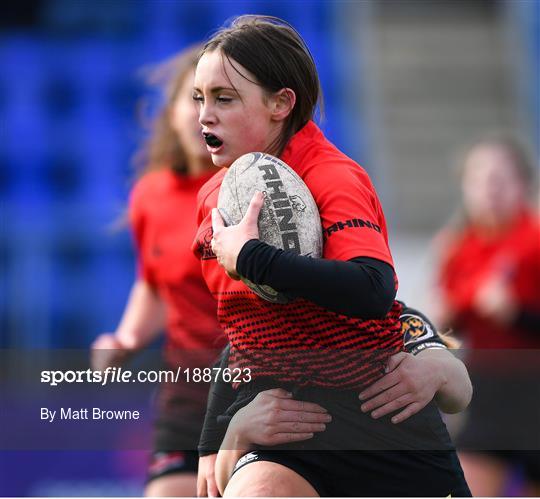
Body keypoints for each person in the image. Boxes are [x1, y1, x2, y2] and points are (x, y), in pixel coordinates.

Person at [191, 15, 471, 496]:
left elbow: (372, 290)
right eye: (201, 98)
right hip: (288, 426)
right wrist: (216, 438)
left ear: (282, 103)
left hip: (381, 420)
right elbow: (242, 331)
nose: (205, 115)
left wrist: (253, 257)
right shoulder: (214, 197)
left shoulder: (334, 176)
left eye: (224, 98)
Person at [91, 45, 226, 496]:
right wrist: (125, 340)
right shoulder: (150, 195)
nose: (202, 111)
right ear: (169, 113)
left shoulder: (255, 189)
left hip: (259, 385)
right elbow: (154, 282)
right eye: (192, 97)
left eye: (219, 98)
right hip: (186, 390)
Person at [195, 304, 472, 496]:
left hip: (399, 471)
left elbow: (459, 392)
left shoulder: (386, 320)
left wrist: (436, 372)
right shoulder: (243, 348)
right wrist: (238, 431)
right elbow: (217, 488)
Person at [432, 137, 540, 496]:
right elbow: (448, 330)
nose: (489, 191)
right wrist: (442, 325)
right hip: (489, 394)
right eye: (479, 181)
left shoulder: (534, 240)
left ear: (523, 184)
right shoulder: (457, 248)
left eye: (500, 180)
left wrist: (517, 314)